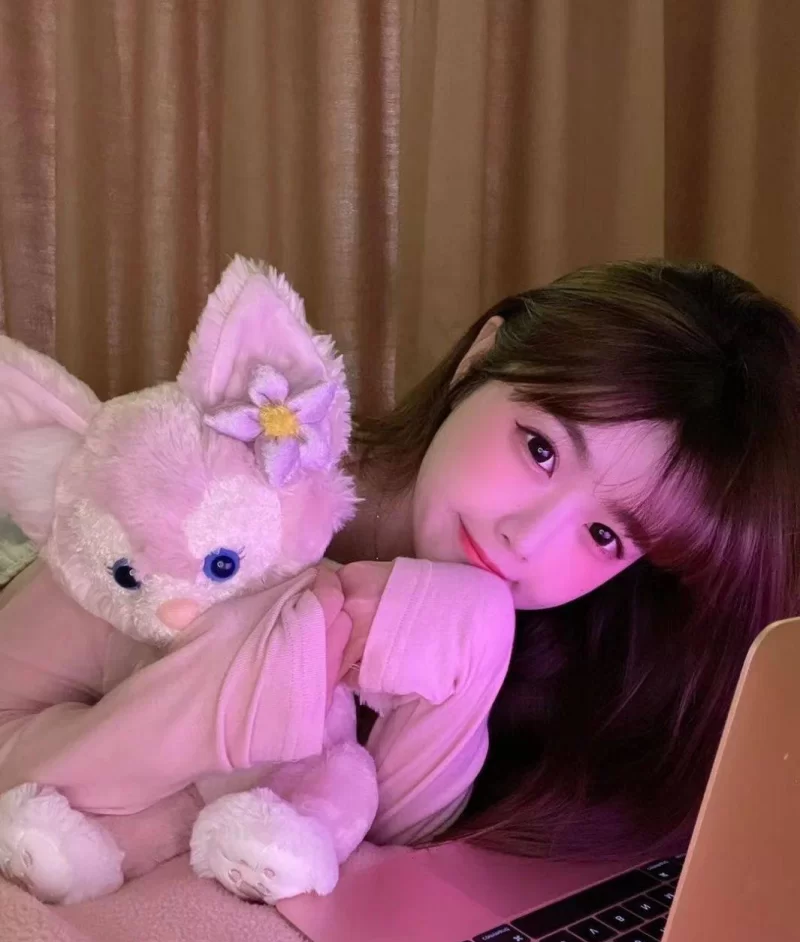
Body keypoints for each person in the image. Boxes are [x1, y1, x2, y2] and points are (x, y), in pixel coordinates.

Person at [1, 259, 798, 895]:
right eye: (541, 449)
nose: (527, 540)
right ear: (479, 360)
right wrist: (271, 663)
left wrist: (469, 643)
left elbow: (373, 853)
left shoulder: (560, 655)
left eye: (604, 535)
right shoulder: (212, 496)